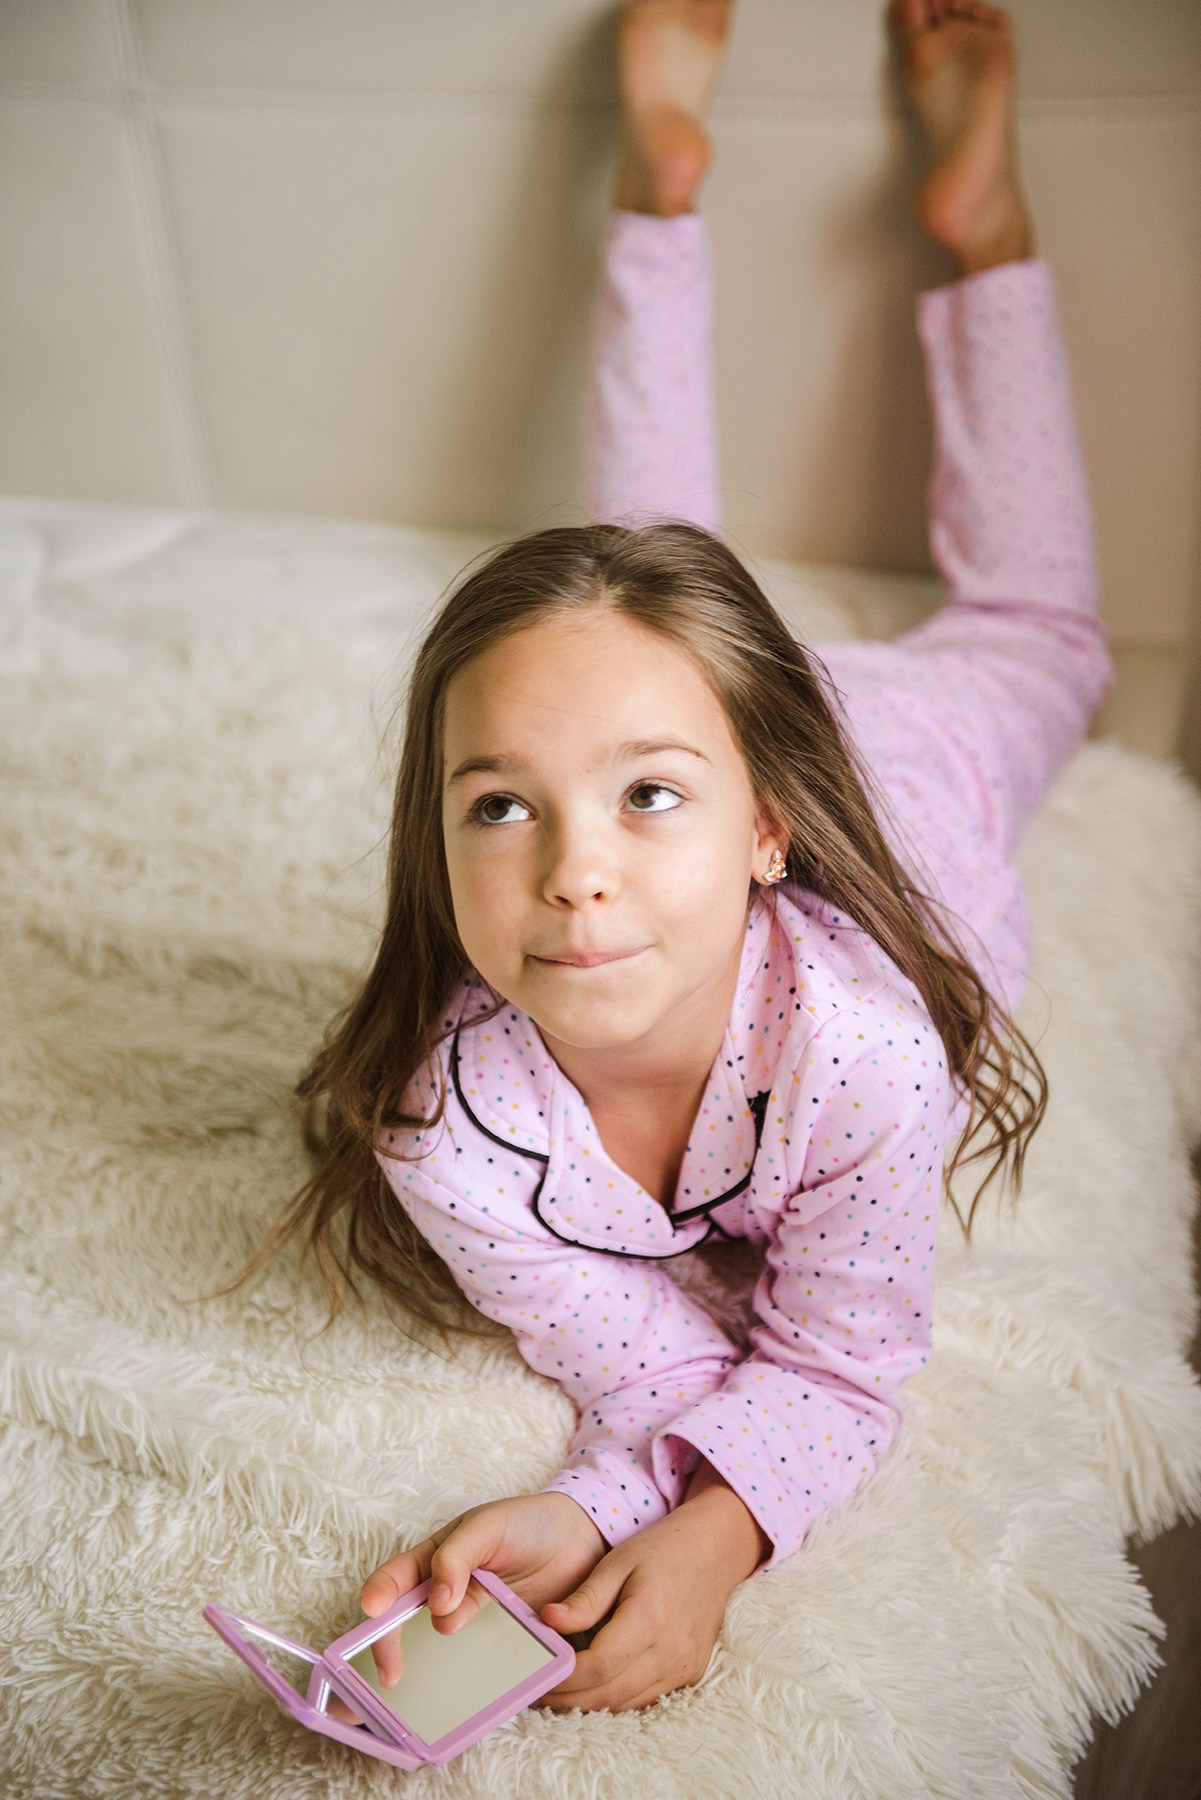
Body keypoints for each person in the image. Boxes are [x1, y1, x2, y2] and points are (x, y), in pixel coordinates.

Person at [266, 0, 1114, 1717]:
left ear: (762, 835)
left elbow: (841, 1365)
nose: (568, 872)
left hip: (913, 767)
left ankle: (961, 233)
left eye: (645, 806)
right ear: (436, 844)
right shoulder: (447, 1127)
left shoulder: (866, 1061)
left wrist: (722, 1541)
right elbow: (668, 1370)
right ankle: (657, 196)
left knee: (1040, 630)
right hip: (717, 717)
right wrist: (583, 1514)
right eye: (497, 806)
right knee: (625, 607)